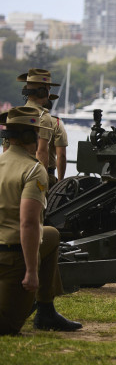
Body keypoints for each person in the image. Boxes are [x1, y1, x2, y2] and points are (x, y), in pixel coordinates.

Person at [0, 106, 82, 334]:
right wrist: (31, 271)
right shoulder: (34, 170)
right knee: (8, 327)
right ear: (30, 137)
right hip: (14, 256)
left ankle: (46, 309)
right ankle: (43, 308)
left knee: (51, 234)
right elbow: (27, 223)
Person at [16, 68, 61, 174]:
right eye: (49, 89)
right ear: (43, 91)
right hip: (30, 174)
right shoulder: (43, 117)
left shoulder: (15, 115)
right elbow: (41, 152)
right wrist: (42, 182)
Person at [40, 93, 67, 185]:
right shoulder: (56, 123)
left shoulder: (19, 120)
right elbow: (61, 155)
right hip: (47, 176)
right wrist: (59, 183)